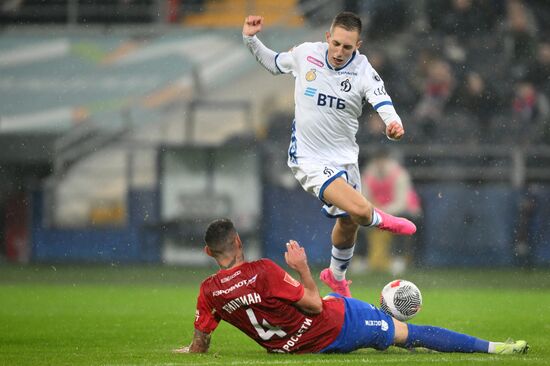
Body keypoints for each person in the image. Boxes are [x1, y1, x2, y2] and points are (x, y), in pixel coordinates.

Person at [242, 11, 416, 298]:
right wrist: (250, 39)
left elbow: (380, 98)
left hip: (345, 159)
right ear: (327, 38)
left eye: (347, 47)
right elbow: (273, 63)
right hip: (308, 158)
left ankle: (336, 277)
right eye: (335, 44)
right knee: (360, 211)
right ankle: (382, 220)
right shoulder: (306, 54)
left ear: (357, 45)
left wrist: (392, 123)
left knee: (347, 223)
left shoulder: (362, 69)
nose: (339, 52)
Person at [173, 219, 528, 355]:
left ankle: (342, 291)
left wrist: (186, 353)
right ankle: (496, 349)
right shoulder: (263, 270)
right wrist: (302, 270)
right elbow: (310, 305)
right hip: (331, 326)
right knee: (408, 333)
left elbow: (200, 343)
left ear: (208, 252)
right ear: (238, 240)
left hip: (291, 348)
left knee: (351, 309)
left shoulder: (209, 291)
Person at [359, 148, 422, 274]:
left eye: (383, 161)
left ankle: (398, 259)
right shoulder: (368, 175)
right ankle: (361, 259)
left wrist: (383, 212)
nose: (380, 165)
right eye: (377, 161)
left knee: (402, 223)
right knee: (356, 221)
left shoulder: (400, 175)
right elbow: (363, 199)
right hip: (378, 211)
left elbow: (401, 203)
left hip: (403, 211)